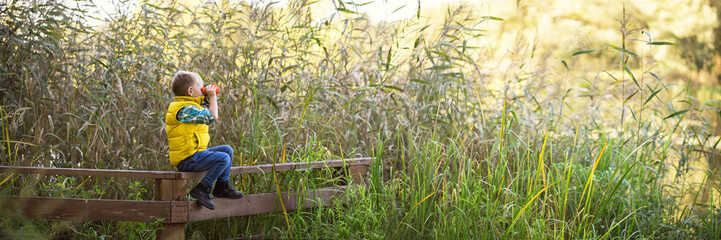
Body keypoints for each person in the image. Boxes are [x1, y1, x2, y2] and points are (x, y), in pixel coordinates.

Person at [165, 71, 243, 210]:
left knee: (227, 150)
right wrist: (212, 97)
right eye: (200, 88)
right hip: (187, 160)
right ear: (190, 91)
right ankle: (203, 188)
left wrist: (207, 97)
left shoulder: (190, 107)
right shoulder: (184, 110)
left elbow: (204, 112)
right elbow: (212, 117)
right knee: (223, 158)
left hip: (194, 155)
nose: (203, 90)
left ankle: (222, 186)